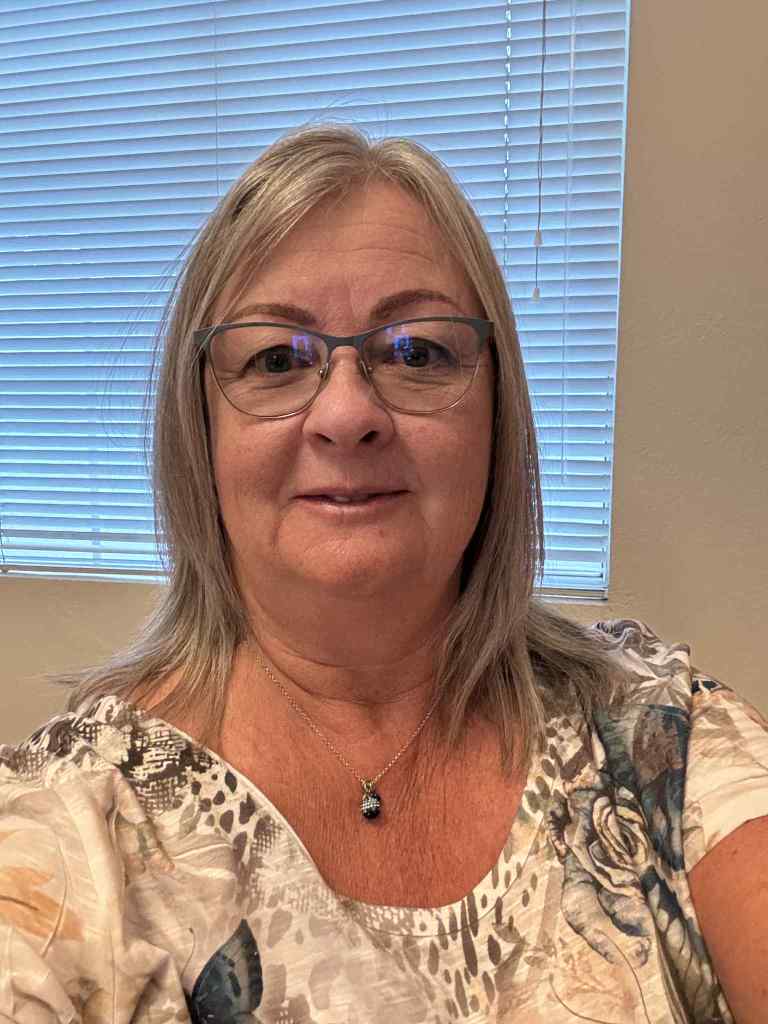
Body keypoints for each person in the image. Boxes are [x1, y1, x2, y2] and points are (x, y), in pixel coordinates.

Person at [0, 124, 766, 1024]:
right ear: (199, 432)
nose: (347, 413)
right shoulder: (76, 822)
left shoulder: (660, 739)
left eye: (417, 352)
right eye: (276, 358)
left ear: (497, 415)